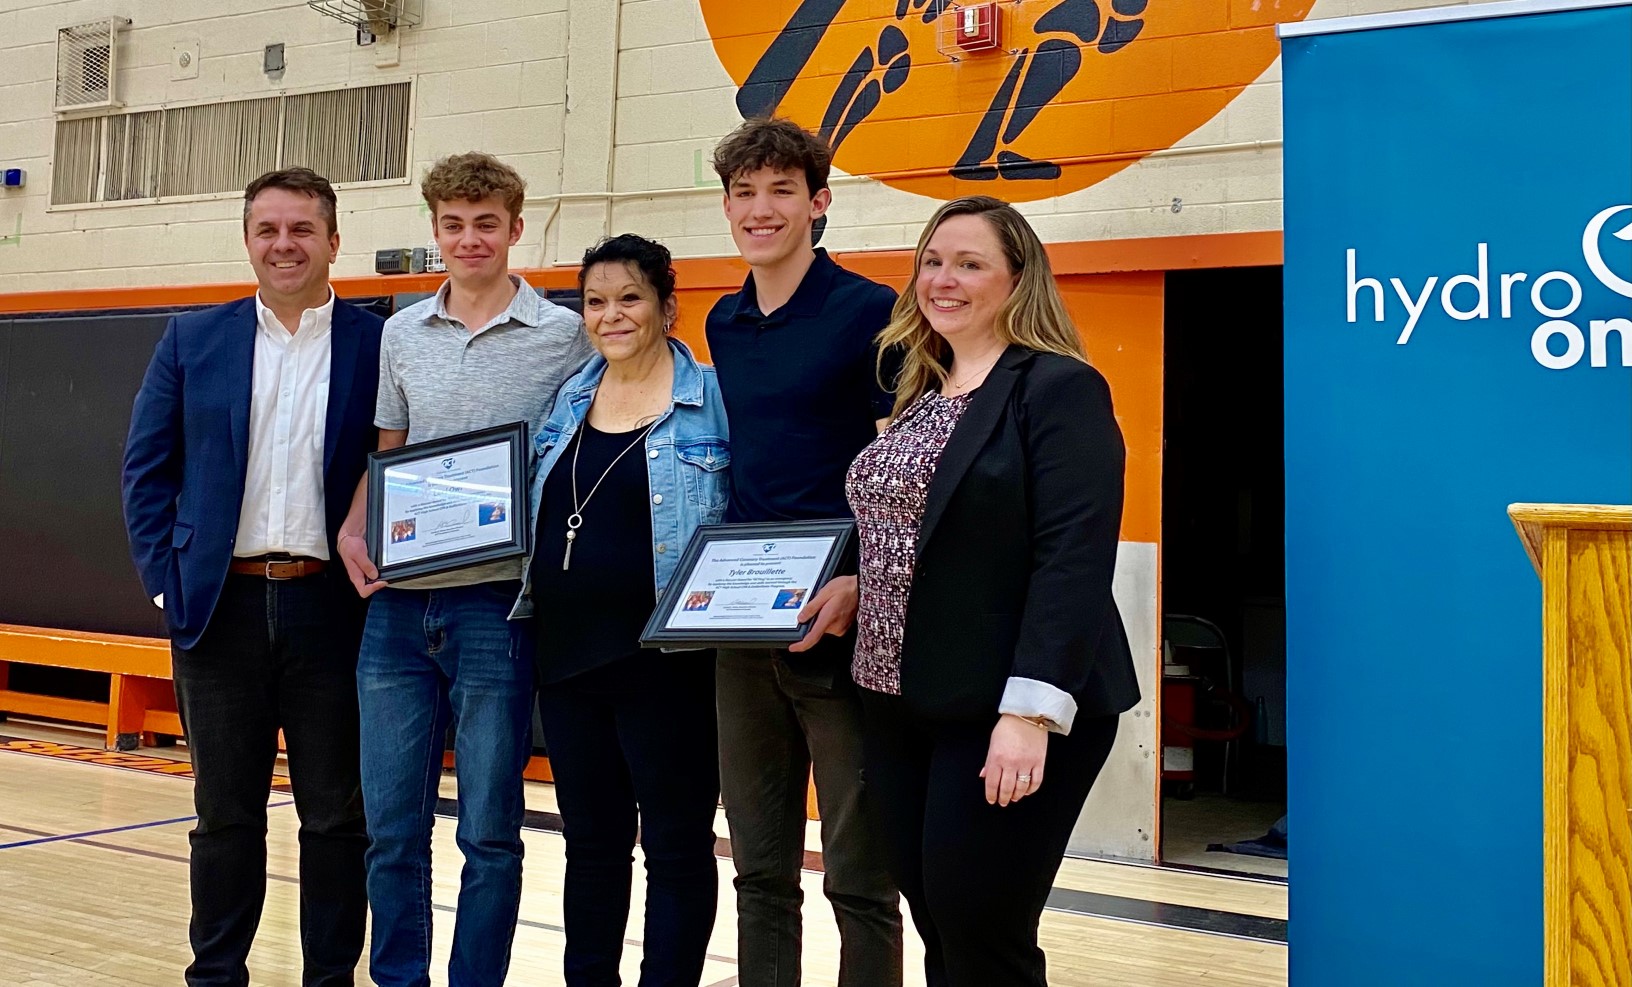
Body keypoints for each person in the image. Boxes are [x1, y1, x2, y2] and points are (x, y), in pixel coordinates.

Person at [845, 195, 1140, 987]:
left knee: (982, 927)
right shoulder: (921, 390)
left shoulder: (1058, 387)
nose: (944, 279)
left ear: (1017, 280)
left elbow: (1072, 558)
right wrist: (854, 585)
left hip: (1007, 704)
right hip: (899, 699)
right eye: (933, 261)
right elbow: (917, 531)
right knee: (937, 916)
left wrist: (1029, 713)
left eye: (970, 263)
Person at [334, 152, 594, 987]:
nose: (470, 238)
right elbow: (390, 452)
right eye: (454, 223)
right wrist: (354, 527)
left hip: (498, 606)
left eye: (487, 223)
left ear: (516, 229)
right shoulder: (400, 333)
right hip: (399, 610)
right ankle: (399, 979)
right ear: (435, 230)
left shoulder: (564, 334)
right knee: (392, 828)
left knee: (489, 826)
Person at [121, 167, 384, 987]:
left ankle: (329, 977)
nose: (284, 244)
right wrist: (170, 583)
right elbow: (146, 470)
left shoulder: (382, 342)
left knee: (337, 817)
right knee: (224, 815)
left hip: (332, 608)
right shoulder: (193, 338)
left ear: (334, 242)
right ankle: (217, 975)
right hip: (219, 607)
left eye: (301, 229)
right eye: (267, 229)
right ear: (247, 241)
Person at [706, 117, 903, 987]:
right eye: (744, 193)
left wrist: (864, 575)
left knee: (860, 876)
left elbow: (908, 461)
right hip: (743, 620)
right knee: (758, 869)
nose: (761, 209)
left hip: (842, 622)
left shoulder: (871, 312)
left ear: (818, 203)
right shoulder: (723, 321)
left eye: (781, 190)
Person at [509, 233, 727, 986]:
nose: (611, 315)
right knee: (591, 844)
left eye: (630, 297)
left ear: (668, 306)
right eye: (595, 302)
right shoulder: (569, 398)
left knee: (674, 846)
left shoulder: (711, 402)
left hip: (667, 666)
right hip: (568, 659)